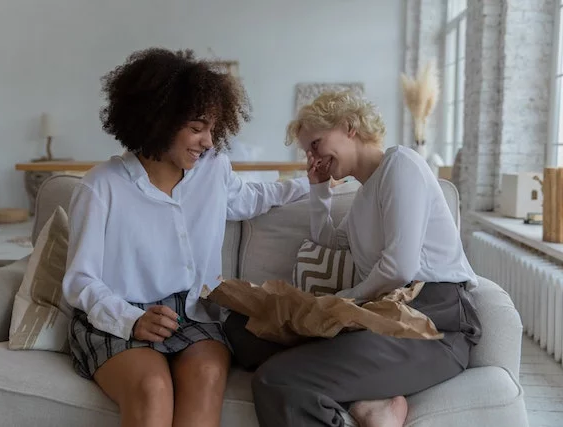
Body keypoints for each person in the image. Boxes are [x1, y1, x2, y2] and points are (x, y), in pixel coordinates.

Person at [62, 47, 310, 427]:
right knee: (152, 387)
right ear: (157, 120)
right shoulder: (101, 187)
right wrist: (131, 319)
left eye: (212, 128)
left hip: (195, 312)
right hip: (120, 312)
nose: (208, 141)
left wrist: (310, 183)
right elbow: (80, 281)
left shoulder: (214, 170)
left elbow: (247, 199)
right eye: (196, 128)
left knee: (207, 376)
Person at [224, 90, 482, 427]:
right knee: (241, 333)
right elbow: (331, 240)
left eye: (315, 144)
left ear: (349, 127)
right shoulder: (364, 193)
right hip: (382, 313)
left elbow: (399, 268)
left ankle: (363, 398)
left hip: (433, 321)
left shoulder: (400, 165)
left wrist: (341, 303)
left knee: (276, 379)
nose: (312, 157)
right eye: (307, 152)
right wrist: (318, 187)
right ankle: (368, 398)